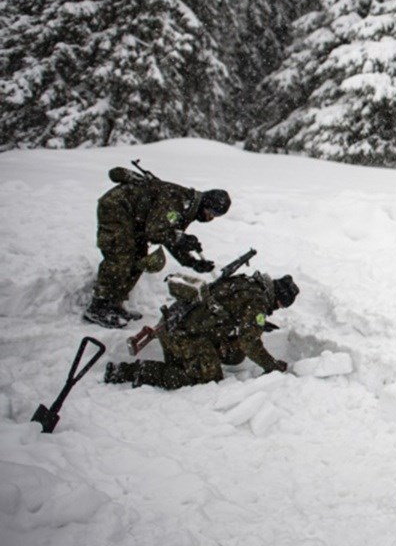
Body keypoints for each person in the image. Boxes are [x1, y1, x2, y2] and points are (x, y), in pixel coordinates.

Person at [84, 165, 231, 328]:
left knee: (139, 259)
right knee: (121, 254)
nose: (212, 218)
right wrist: (182, 239)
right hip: (118, 207)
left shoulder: (188, 207)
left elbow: (169, 238)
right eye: (213, 213)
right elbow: (155, 232)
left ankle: (113, 304)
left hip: (137, 219)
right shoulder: (177, 201)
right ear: (206, 204)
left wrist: (192, 262)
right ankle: (99, 306)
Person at [104, 272, 298, 389]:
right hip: (182, 333)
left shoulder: (248, 283)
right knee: (205, 380)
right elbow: (250, 342)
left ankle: (192, 360)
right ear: (278, 299)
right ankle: (129, 372)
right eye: (280, 305)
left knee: (234, 352)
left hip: (178, 321)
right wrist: (272, 366)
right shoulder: (257, 302)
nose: (277, 309)